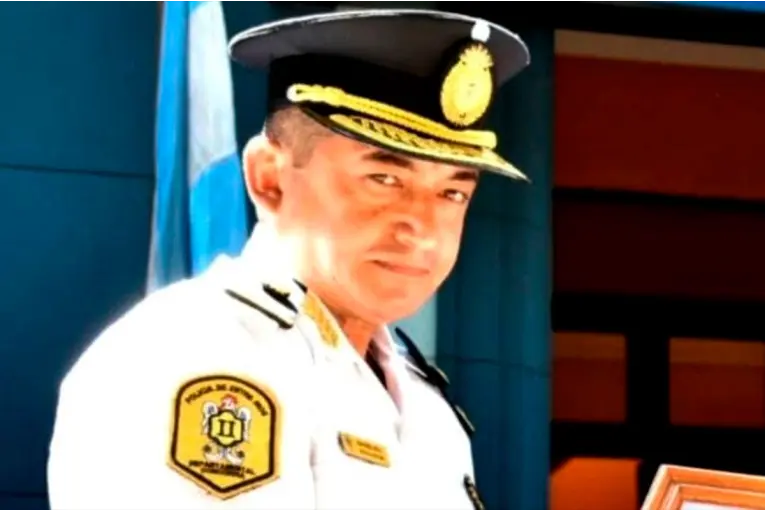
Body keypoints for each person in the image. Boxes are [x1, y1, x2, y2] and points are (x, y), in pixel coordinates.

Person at [46, 8, 530, 510]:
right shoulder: (189, 352)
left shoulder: (424, 400)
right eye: (384, 179)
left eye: (452, 192)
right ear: (269, 178)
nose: (423, 229)